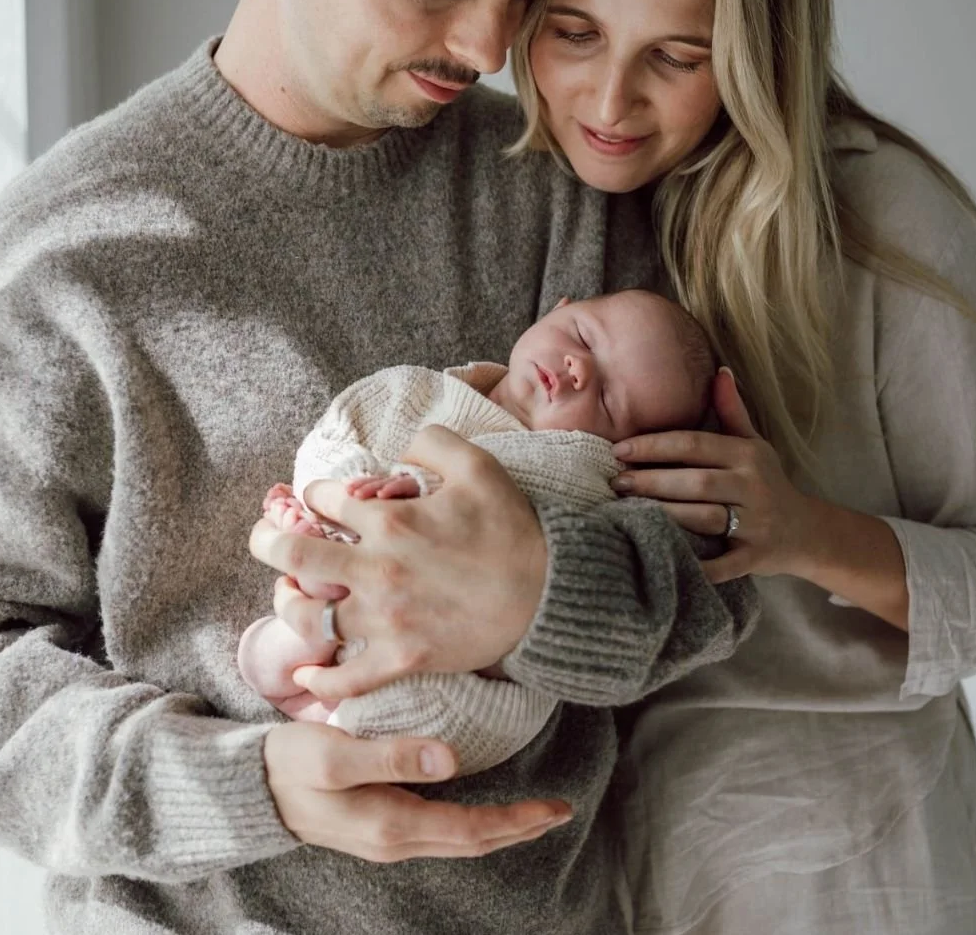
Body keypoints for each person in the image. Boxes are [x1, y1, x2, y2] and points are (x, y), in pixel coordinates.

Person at [0, 0, 759, 935]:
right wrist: (254, 780)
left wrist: (536, 594)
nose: (480, 45)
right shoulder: (65, 259)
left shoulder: (560, 202)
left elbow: (711, 573)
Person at [493, 0, 976, 935]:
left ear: (757, 46)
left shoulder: (887, 226)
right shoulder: (511, 205)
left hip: (845, 865)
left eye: (676, 56)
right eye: (571, 29)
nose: (609, 98)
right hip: (581, 870)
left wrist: (808, 533)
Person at [238, 289, 716, 775]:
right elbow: (334, 434)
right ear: (558, 307)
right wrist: (346, 479)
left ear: (625, 449)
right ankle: (322, 613)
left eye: (609, 400)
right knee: (258, 657)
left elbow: (517, 512)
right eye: (583, 337)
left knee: (361, 715)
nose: (579, 370)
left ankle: (330, 645)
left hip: (454, 680)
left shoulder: (578, 468)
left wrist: (416, 486)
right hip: (351, 576)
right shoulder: (416, 389)